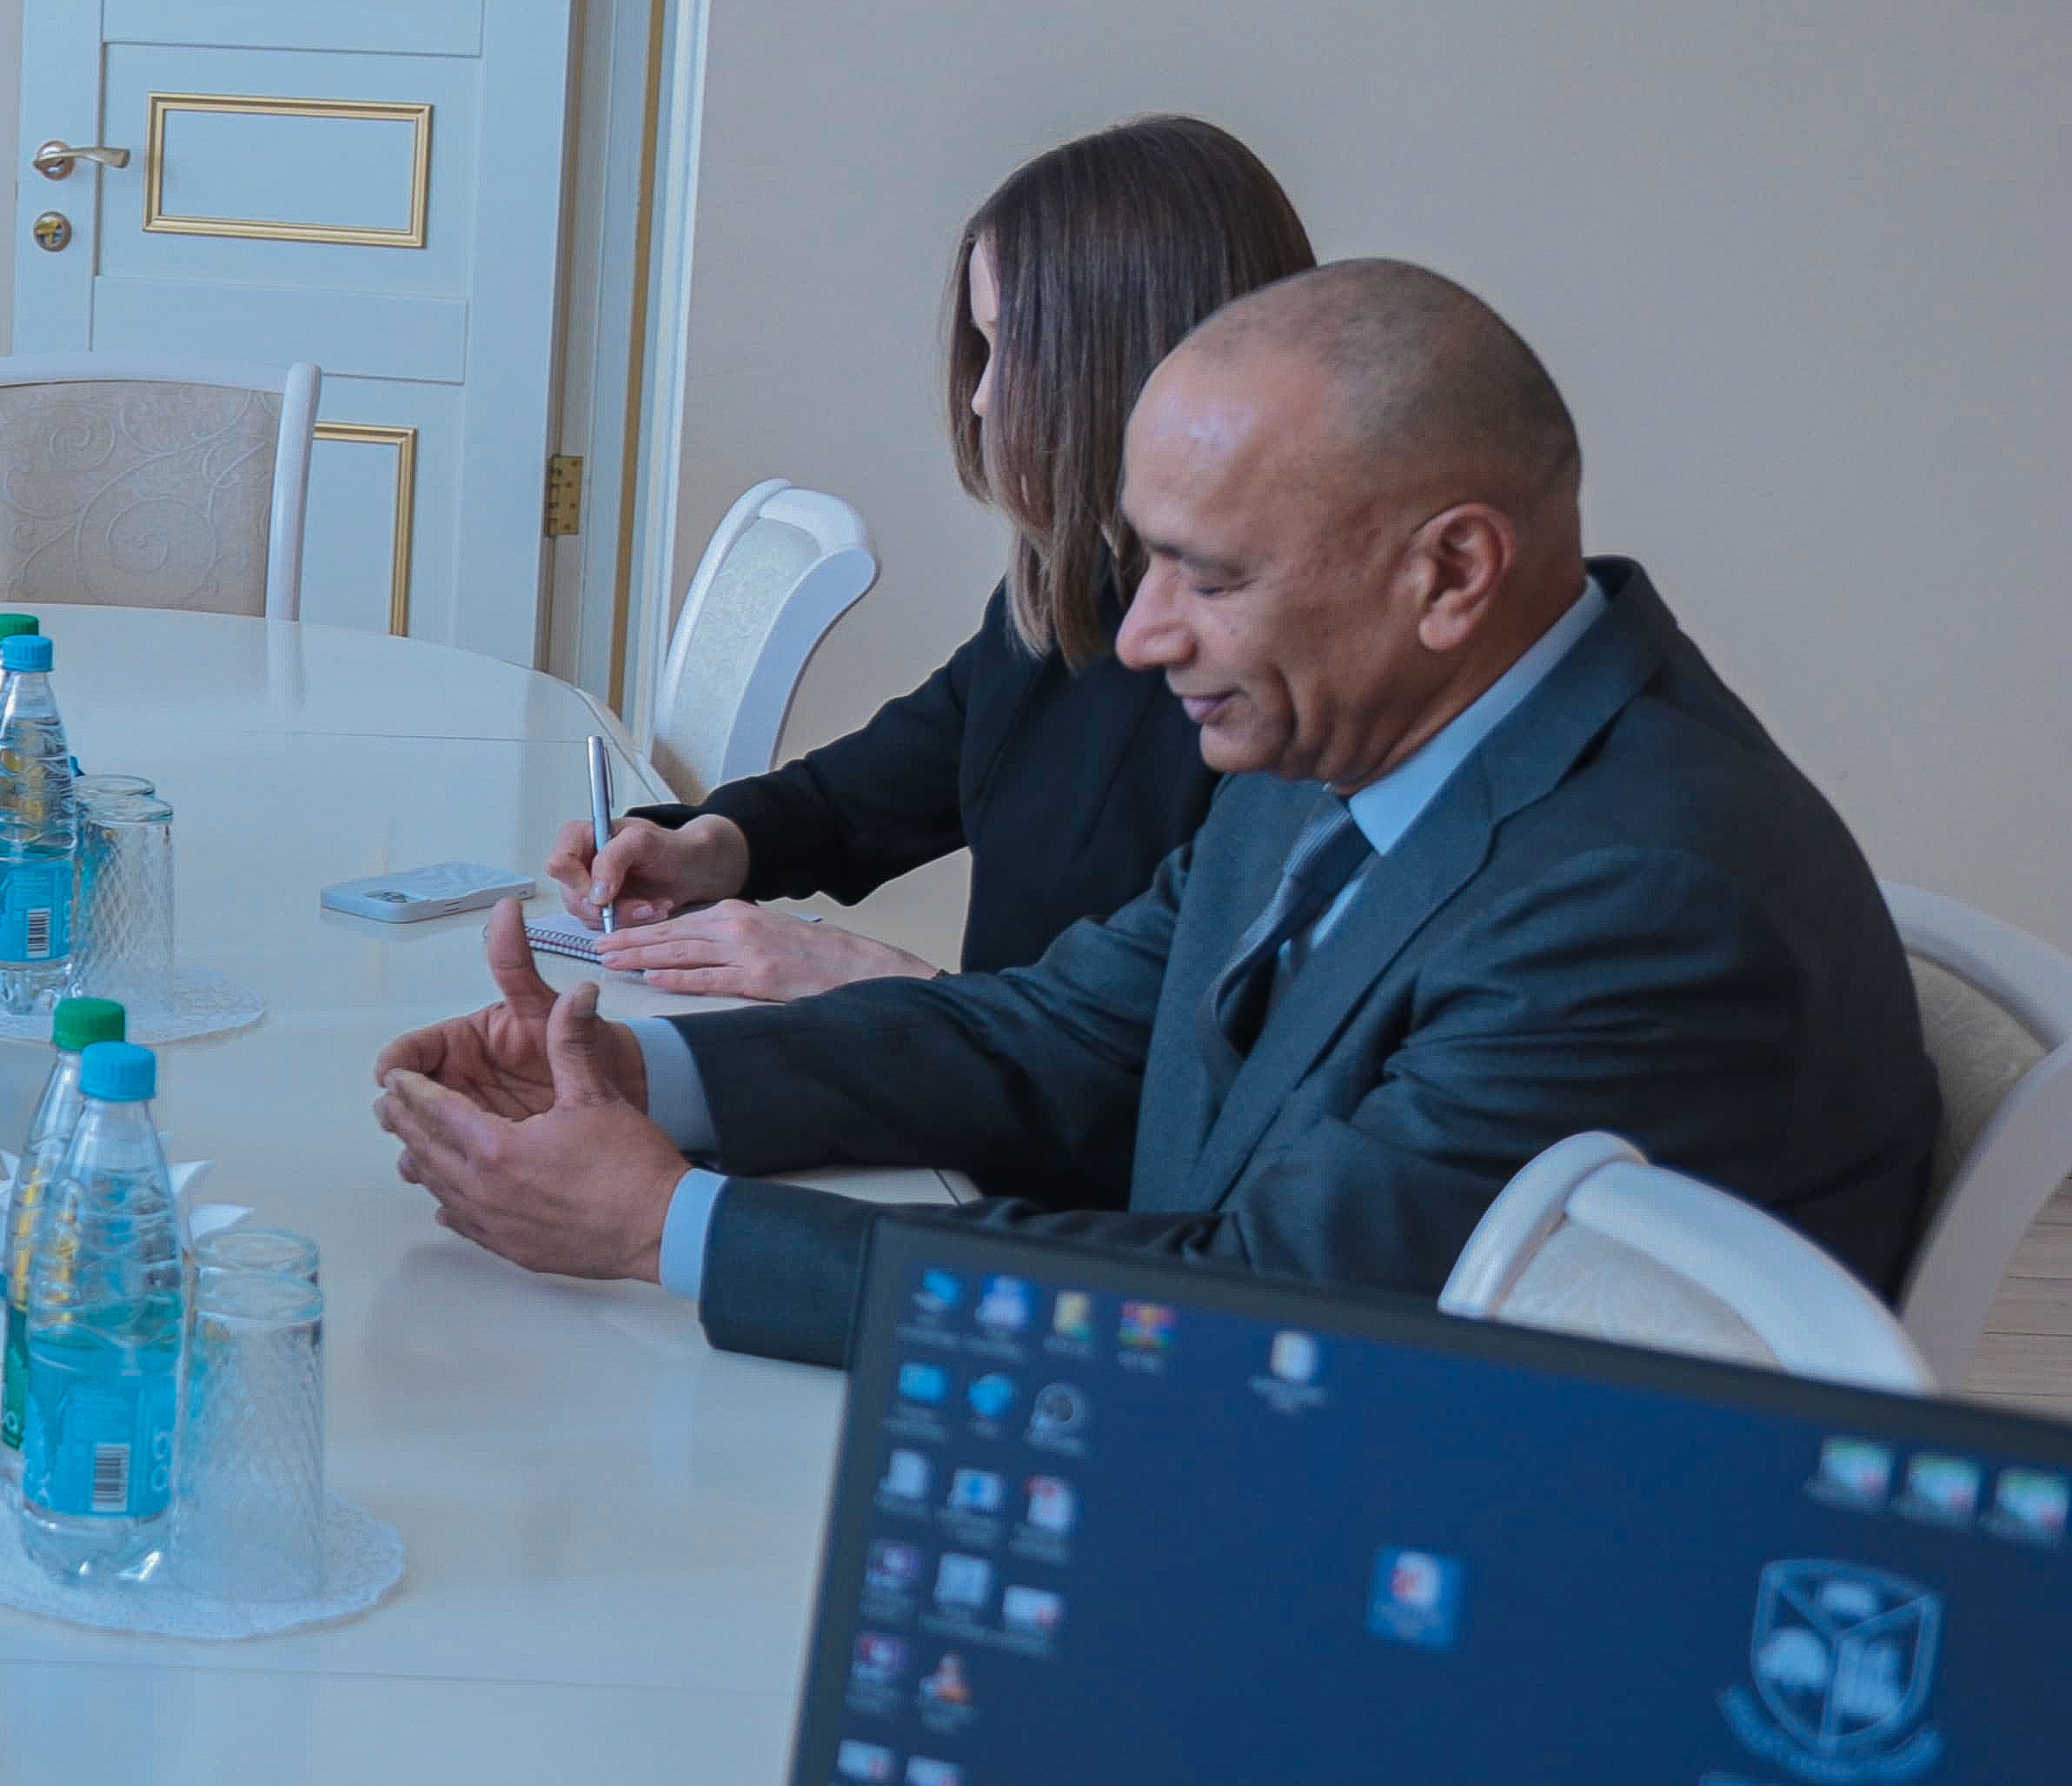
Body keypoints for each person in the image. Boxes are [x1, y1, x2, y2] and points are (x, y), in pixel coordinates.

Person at [377, 261, 1939, 1368]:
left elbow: (1270, 1318)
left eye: (1211, 574)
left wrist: (669, 1227)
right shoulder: (1368, 735)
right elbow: (1063, 1033)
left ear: (1452, 573)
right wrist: (646, 1077)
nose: (1138, 637)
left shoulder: (1643, 899)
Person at [556, 116, 1314, 1006]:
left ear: (1131, 359)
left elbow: (1184, 1049)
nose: (983, 397)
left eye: (1011, 346)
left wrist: (885, 982)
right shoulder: (1074, 588)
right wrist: (711, 846)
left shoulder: (1293, 694)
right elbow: (869, 791)